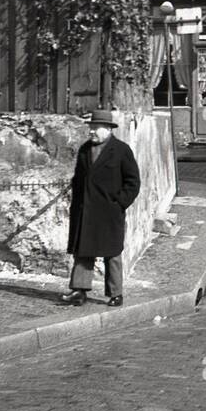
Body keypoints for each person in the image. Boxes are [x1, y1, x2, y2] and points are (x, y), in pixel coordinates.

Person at [60, 109, 141, 307]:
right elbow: (79, 178)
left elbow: (133, 182)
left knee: (111, 253)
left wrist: (119, 203)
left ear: (107, 129)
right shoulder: (85, 150)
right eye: (91, 128)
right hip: (85, 210)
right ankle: (79, 291)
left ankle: (115, 293)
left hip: (109, 212)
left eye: (96, 128)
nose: (91, 132)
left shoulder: (121, 150)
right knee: (83, 251)